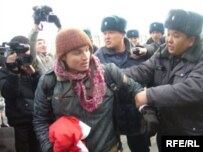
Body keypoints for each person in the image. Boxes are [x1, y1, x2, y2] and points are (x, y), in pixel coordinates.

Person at [33, 28, 143, 152]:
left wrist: (146, 110)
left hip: (109, 147)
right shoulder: (49, 82)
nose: (85, 56)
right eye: (77, 52)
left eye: (87, 50)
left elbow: (135, 88)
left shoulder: (107, 72)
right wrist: (49, 148)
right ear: (63, 57)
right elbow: (40, 119)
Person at [124, 9, 203, 151]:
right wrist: (113, 73)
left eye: (176, 35)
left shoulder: (200, 59)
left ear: (191, 40)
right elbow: (142, 70)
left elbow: (192, 88)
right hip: (165, 130)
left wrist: (149, 95)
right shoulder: (163, 52)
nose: (169, 40)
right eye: (168, 34)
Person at [95, 15, 150, 152]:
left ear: (122, 34)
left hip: (135, 114)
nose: (107, 36)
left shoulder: (137, 53)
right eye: (105, 33)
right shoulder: (97, 58)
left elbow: (148, 77)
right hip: (110, 117)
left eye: (111, 32)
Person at [0, 36, 41, 152]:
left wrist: (35, 74)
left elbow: (41, 91)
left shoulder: (29, 69)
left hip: (36, 120)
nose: (24, 56)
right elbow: (10, 93)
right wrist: (13, 71)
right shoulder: (4, 71)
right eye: (21, 54)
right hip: (18, 122)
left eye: (26, 53)